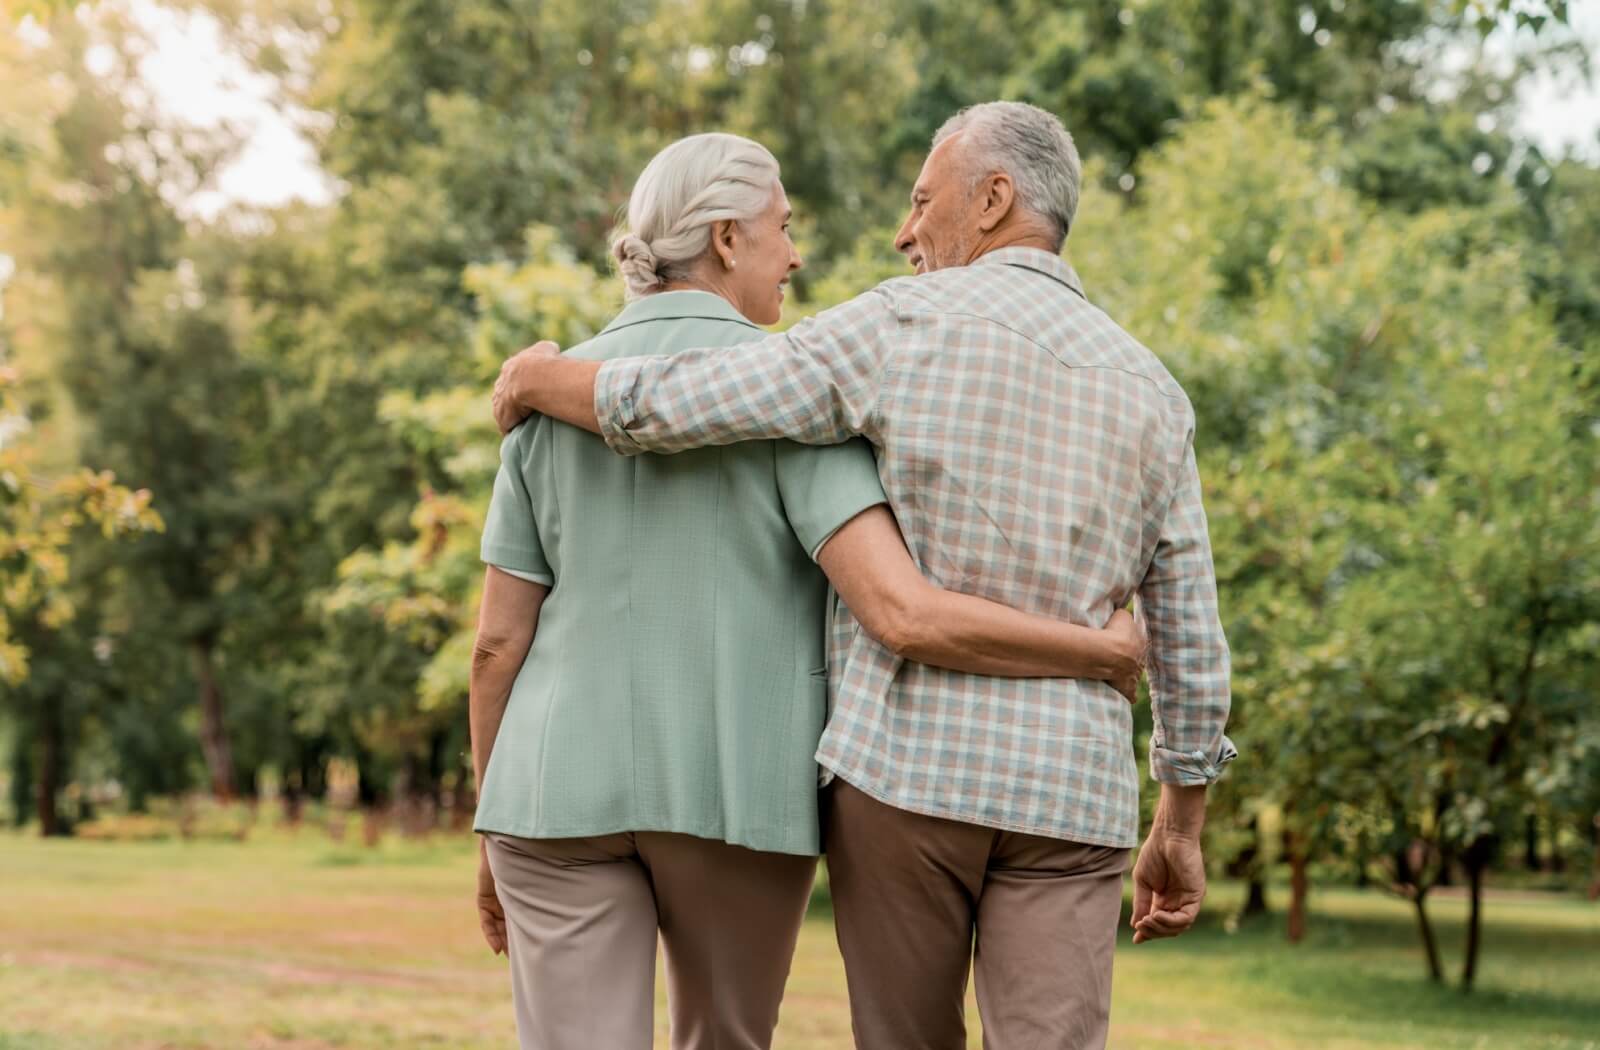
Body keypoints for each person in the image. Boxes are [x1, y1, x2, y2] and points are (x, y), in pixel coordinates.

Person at [491, 103, 1237, 1050]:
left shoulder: (895, 326)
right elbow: (1192, 643)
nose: (903, 231)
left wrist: (539, 382)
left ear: (995, 198)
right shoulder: (1154, 391)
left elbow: (692, 397)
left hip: (906, 778)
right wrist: (1180, 815)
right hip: (1071, 792)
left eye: (923, 202)